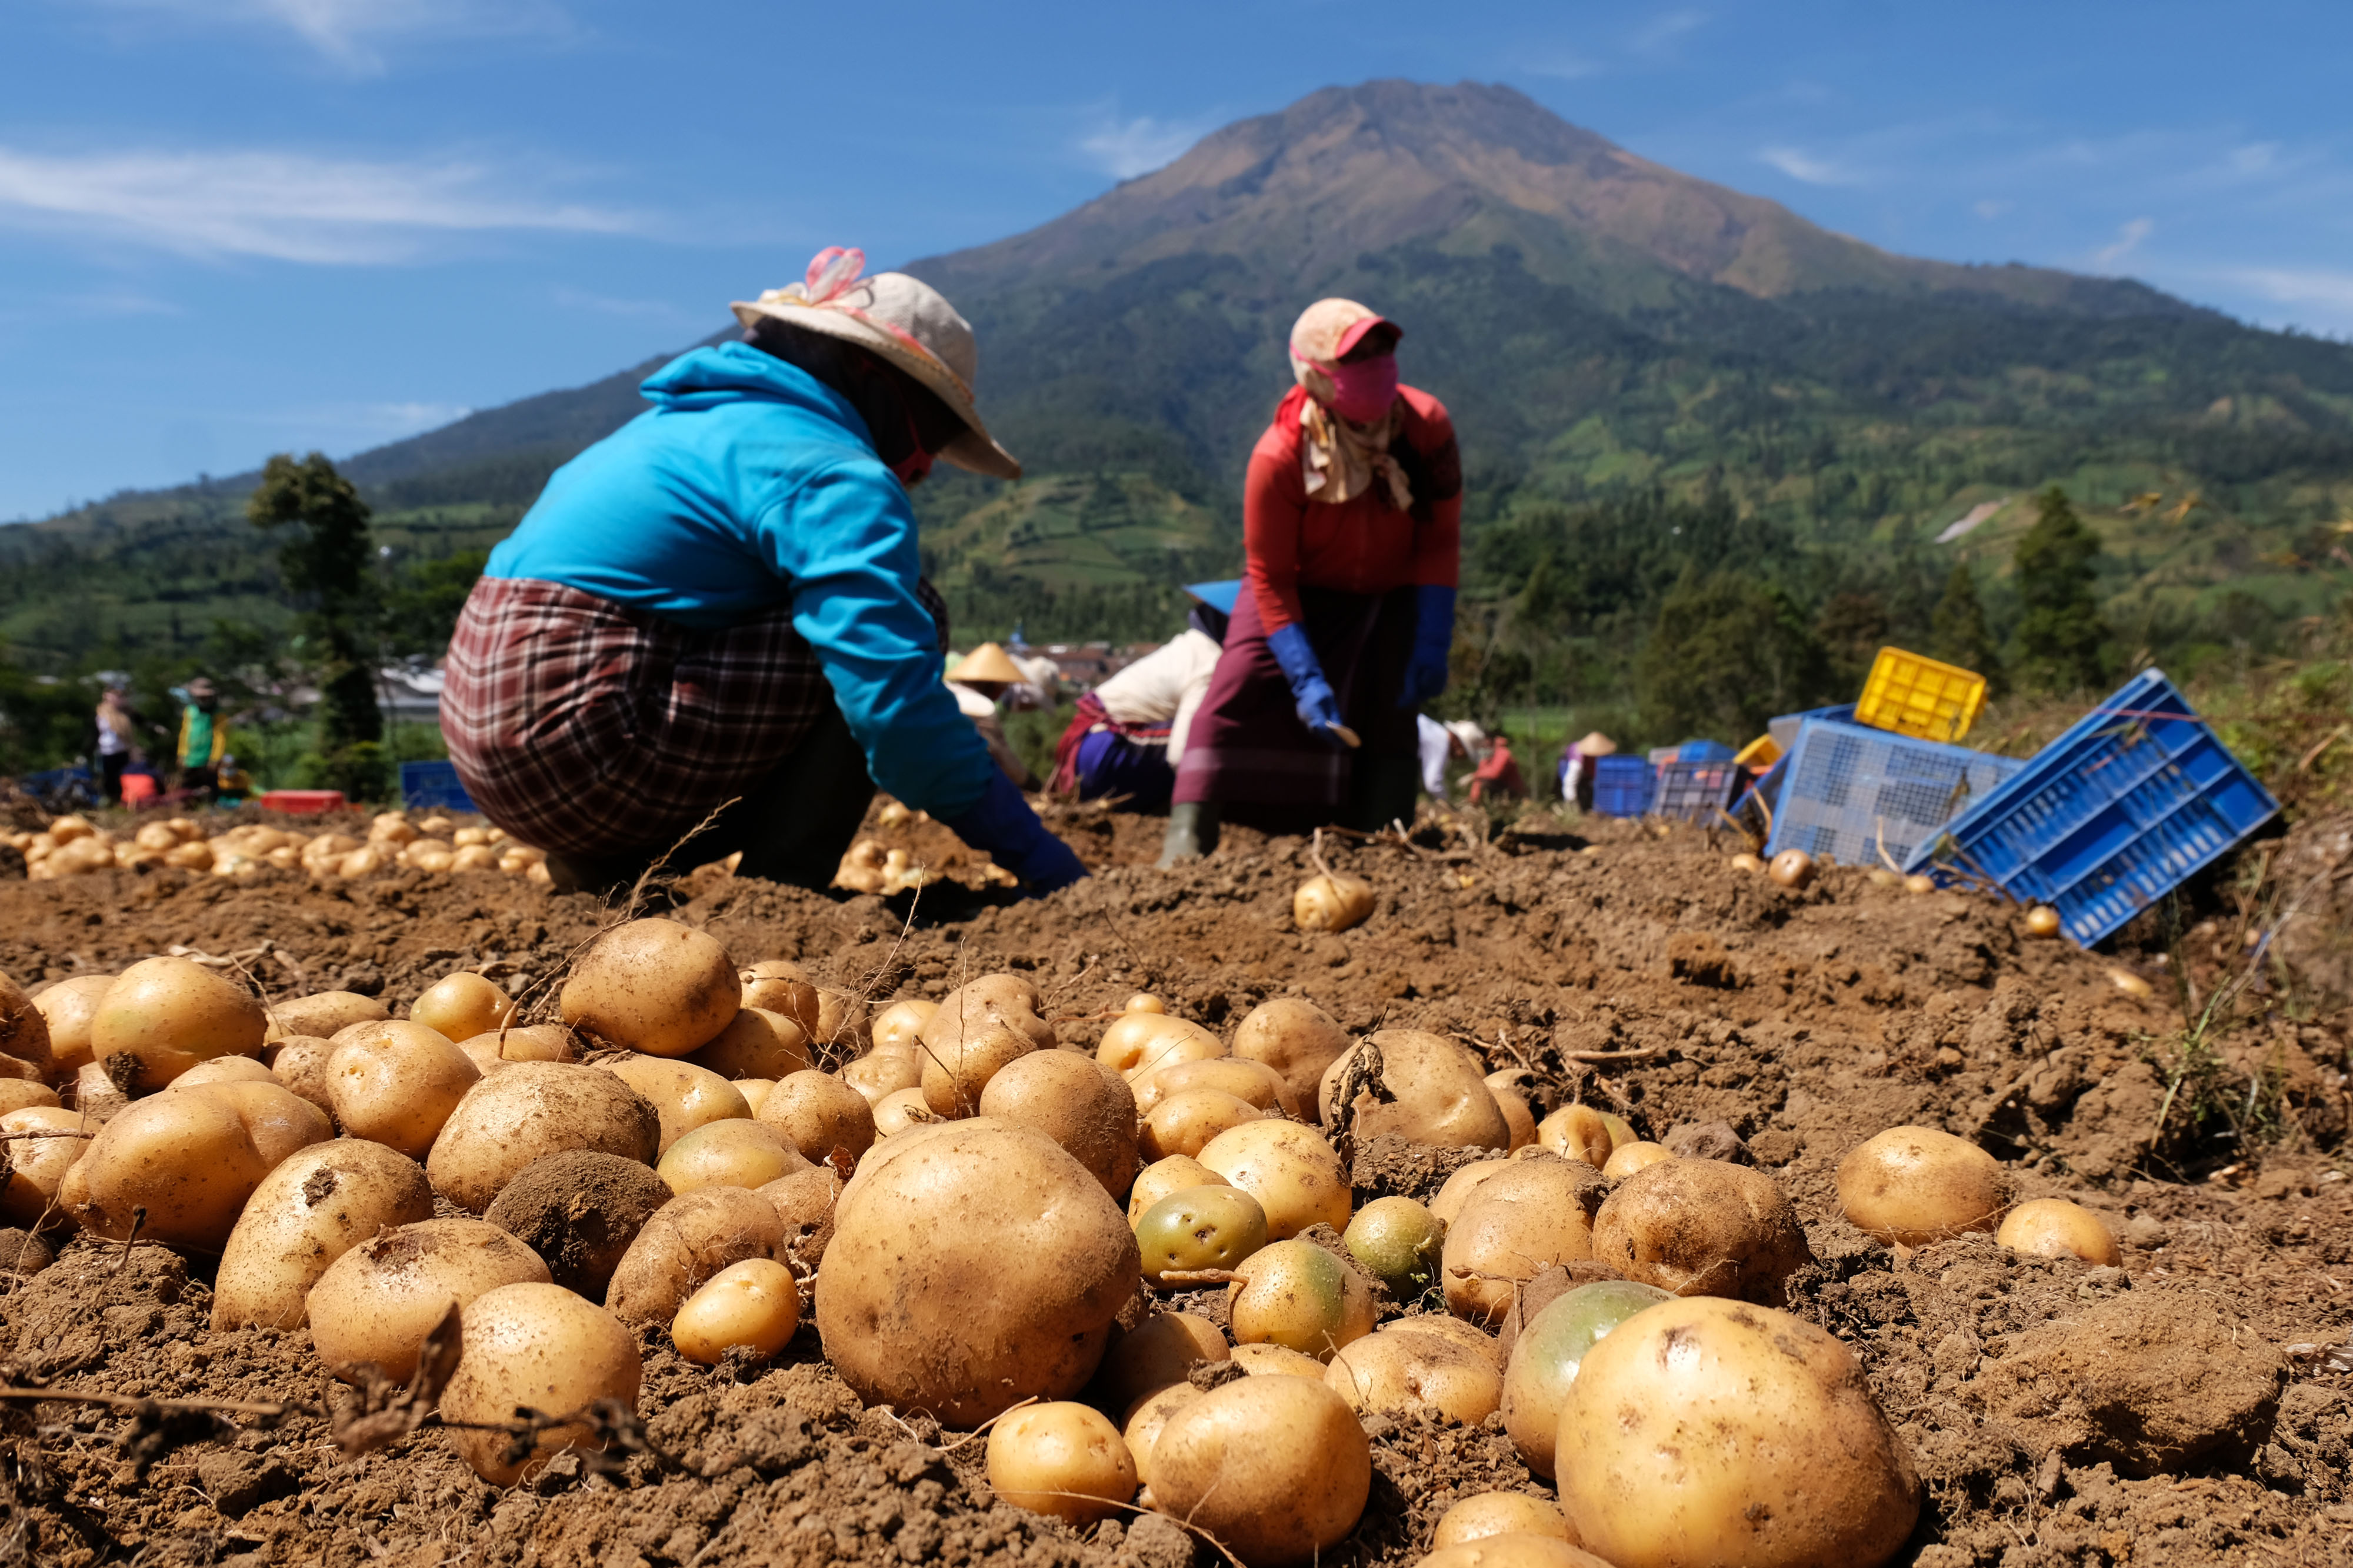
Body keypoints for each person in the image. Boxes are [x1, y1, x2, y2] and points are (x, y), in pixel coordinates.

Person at [441, 247, 1087, 896]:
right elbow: (893, 709)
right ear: (875, 380)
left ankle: (603, 868)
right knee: (903, 618)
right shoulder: (831, 467)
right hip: (588, 750)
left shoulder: (679, 428)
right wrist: (1035, 853)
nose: (922, 469)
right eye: (930, 436)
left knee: (832, 619)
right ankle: (781, 889)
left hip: (493, 753)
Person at [1163, 299, 1461, 863]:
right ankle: (1186, 843)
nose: (1376, 366)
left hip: (1394, 590)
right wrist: (1303, 677)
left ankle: (1382, 840)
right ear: (1314, 377)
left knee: (1391, 707)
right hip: (1295, 589)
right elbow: (1269, 577)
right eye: (1356, 360)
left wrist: (1432, 635)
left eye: (1382, 351)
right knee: (1234, 691)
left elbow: (1440, 538)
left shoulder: (1427, 430)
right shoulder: (1280, 456)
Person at [1049, 583, 1232, 809]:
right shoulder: (1209, 665)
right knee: (1214, 738)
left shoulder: (1191, 646)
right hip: (1105, 754)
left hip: (1086, 752)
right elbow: (1180, 755)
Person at [171, 678, 227, 798]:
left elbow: (220, 738)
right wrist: (182, 754)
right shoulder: (190, 711)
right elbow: (184, 733)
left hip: (207, 758)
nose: (203, 699)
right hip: (190, 757)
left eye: (206, 697)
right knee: (188, 788)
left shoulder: (218, 714)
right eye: (200, 697)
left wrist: (215, 758)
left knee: (210, 788)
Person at [1415, 715, 1485, 800]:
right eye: (1464, 754)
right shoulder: (1442, 744)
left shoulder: (1436, 732)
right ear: (1459, 744)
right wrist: (1447, 804)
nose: (1460, 757)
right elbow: (1433, 785)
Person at [91, 688, 134, 804]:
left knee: (123, 777)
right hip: (106, 751)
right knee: (109, 778)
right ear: (106, 696)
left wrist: (155, 727)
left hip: (123, 750)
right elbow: (94, 733)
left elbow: (142, 721)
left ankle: (124, 800)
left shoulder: (125, 712)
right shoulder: (100, 712)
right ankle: (111, 800)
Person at [1557, 730, 1616, 812]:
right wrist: (1572, 801)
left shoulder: (1602, 758)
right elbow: (1569, 782)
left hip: (1586, 774)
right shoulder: (1577, 762)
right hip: (1568, 768)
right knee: (1577, 789)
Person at [1468, 735, 1527, 804]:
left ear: (1491, 741)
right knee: (1480, 781)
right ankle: (1474, 803)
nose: (1483, 745)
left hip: (1512, 792)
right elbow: (1481, 775)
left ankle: (1476, 804)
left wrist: (1473, 776)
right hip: (1501, 790)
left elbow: (1495, 773)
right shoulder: (1488, 756)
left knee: (1483, 784)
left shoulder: (1503, 753)